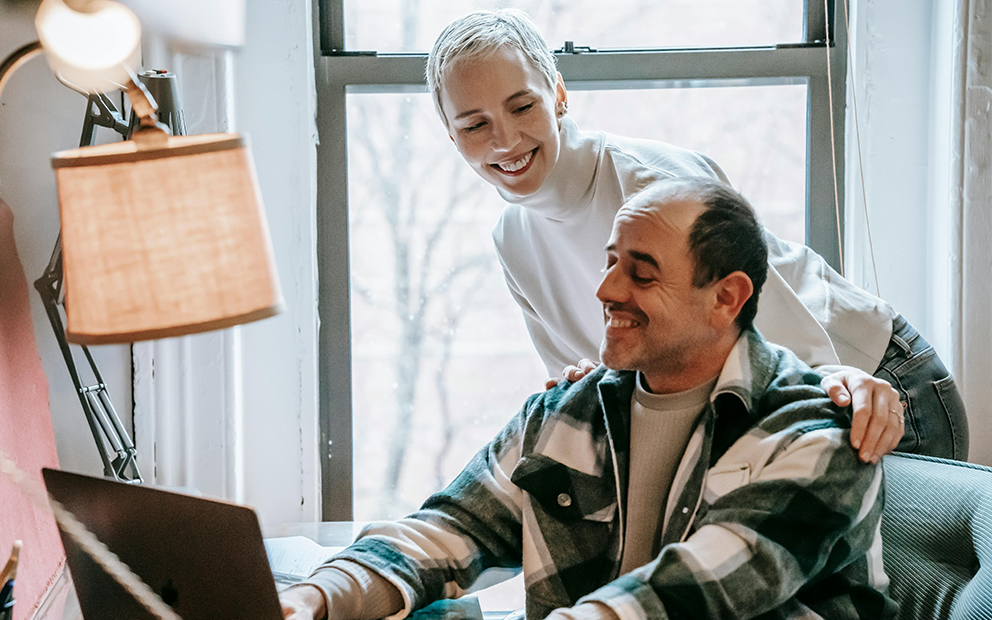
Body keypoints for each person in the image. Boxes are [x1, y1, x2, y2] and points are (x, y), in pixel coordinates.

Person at [281, 179, 895, 620]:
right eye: (609, 262)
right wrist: (319, 594)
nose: (605, 289)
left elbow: (699, 592)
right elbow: (452, 527)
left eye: (641, 272)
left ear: (726, 298)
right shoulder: (566, 412)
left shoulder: (820, 430)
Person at [424, 9, 968, 463]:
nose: (505, 139)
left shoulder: (654, 184)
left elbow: (795, 352)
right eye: (474, 125)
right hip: (761, 413)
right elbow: (597, 385)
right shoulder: (511, 239)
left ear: (559, 93)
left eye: (522, 106)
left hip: (873, 385)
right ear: (450, 136)